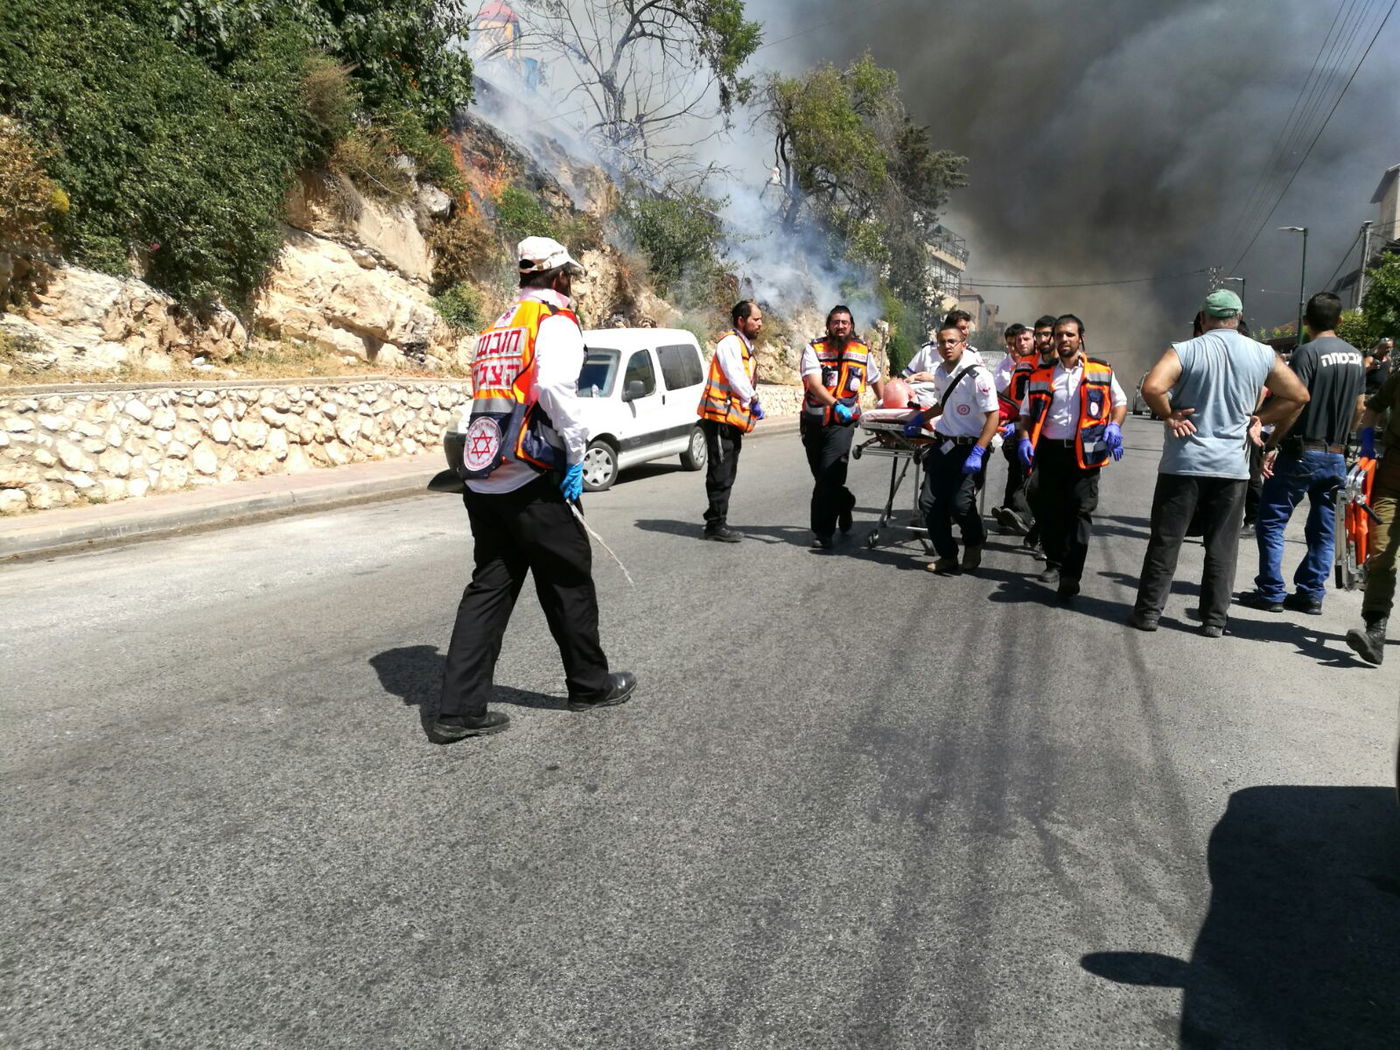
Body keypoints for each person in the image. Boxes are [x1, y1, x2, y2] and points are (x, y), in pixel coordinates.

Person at [432, 236, 635, 742]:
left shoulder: (498, 327)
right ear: (560, 276)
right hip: (532, 476)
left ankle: (458, 710)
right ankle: (589, 684)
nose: (572, 286)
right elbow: (554, 389)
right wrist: (575, 451)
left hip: (485, 478)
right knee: (567, 577)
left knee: (490, 586)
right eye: (570, 277)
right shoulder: (554, 323)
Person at [1130, 290, 1309, 636]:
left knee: (1166, 541)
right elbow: (1299, 396)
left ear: (1203, 317)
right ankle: (1214, 620)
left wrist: (1169, 414)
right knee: (1222, 547)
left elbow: (1152, 387)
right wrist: (1260, 419)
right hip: (1233, 467)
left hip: (1183, 463)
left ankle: (1148, 613)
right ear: (1239, 317)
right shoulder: (1262, 354)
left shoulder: (1185, 350)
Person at [1241, 292, 1366, 615]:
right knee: (1324, 528)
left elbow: (1295, 402)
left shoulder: (1306, 354)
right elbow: (1359, 408)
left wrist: (1273, 443)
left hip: (1301, 452)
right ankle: (1311, 593)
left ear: (1306, 322)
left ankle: (1270, 591)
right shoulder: (1356, 356)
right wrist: (1344, 434)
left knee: (1270, 521)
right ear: (1340, 321)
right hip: (1336, 454)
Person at [1017, 314, 1128, 598]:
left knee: (1080, 512)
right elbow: (1026, 414)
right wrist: (1024, 439)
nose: (1064, 340)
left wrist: (1115, 425)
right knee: (1047, 508)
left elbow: (1120, 402)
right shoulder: (1041, 374)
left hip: (1086, 454)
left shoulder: (1102, 370)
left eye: (1069, 335)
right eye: (1059, 335)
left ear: (1081, 337)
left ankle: (1070, 574)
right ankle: (1054, 560)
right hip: (1050, 451)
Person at [901, 322, 999, 573]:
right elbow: (943, 404)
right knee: (929, 503)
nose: (946, 346)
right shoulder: (941, 372)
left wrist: (979, 451)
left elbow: (993, 416)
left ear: (962, 344)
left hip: (971, 448)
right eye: (941, 342)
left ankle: (974, 543)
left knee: (961, 504)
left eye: (951, 341)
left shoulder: (978, 376)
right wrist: (920, 418)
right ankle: (947, 555)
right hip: (944, 444)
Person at [800, 305, 883, 550]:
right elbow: (814, 385)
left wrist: (883, 407)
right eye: (835, 322)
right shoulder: (814, 349)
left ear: (852, 325)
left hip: (843, 423)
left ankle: (823, 533)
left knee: (829, 475)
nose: (840, 326)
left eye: (844, 322)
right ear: (828, 325)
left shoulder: (862, 349)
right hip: (814, 422)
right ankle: (845, 502)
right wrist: (835, 404)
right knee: (822, 476)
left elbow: (876, 379)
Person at [1344, 366, 1400, 664]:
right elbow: (1372, 408)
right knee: (1381, 555)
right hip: (1391, 480)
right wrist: (1366, 442)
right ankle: (1375, 632)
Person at [697, 301, 763, 542]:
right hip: (719, 418)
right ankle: (715, 524)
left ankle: (717, 519)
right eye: (755, 319)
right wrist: (753, 397)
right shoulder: (730, 343)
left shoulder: (744, 347)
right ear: (740, 321)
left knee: (727, 471)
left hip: (730, 420)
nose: (760, 324)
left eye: (760, 320)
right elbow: (734, 374)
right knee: (720, 471)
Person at [991, 322, 1037, 534]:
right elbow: (1007, 396)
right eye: (1016, 341)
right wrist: (1000, 419)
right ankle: (1012, 512)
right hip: (1017, 426)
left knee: (1029, 474)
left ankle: (1023, 515)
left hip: (1040, 429)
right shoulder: (1019, 367)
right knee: (1017, 468)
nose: (1019, 344)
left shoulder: (1044, 365)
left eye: (1025, 339)